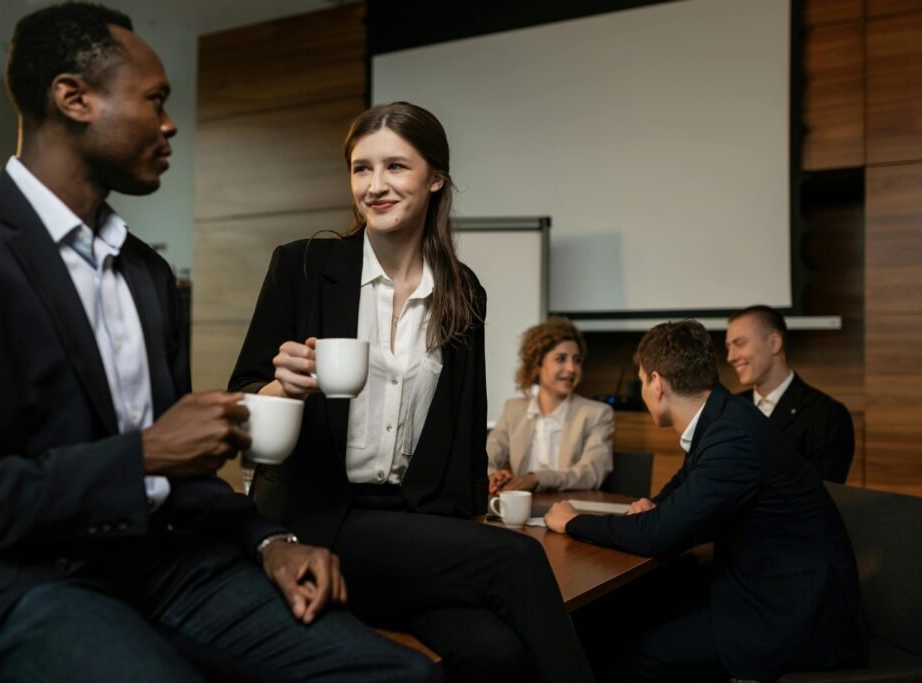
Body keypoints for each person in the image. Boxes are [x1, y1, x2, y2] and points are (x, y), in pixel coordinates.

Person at [0, 5, 437, 682]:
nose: (170, 122)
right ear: (74, 98)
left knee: (405, 675)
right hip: (15, 584)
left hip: (164, 563)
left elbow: (182, 476)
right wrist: (142, 454)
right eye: (155, 100)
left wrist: (269, 540)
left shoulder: (148, 276)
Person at [230, 102, 592, 683]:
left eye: (395, 167)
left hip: (412, 530)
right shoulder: (301, 265)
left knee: (496, 653)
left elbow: (463, 430)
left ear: (435, 178)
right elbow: (241, 403)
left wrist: (462, 531)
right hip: (317, 520)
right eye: (360, 169)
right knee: (518, 559)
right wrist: (283, 384)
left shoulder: (462, 291)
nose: (375, 186)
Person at [544, 320, 866, 682]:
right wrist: (655, 507)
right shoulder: (723, 417)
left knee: (627, 655)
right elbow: (681, 487)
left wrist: (571, 520)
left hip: (791, 615)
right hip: (761, 586)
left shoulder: (732, 437)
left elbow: (657, 535)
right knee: (615, 617)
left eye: (641, 380)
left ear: (656, 382)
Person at [725, 304, 855, 482]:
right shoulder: (728, 409)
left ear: (774, 343)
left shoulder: (826, 414)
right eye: (728, 347)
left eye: (739, 344)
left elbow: (821, 495)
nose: (730, 357)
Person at [488, 317, 614, 494]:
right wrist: (493, 476)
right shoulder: (513, 409)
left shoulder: (597, 413)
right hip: (519, 510)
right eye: (561, 359)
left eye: (577, 360)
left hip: (571, 511)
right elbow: (485, 458)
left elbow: (591, 473)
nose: (571, 368)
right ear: (537, 364)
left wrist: (537, 479)